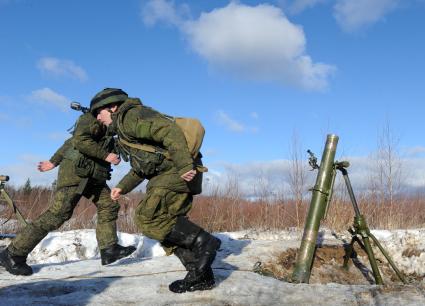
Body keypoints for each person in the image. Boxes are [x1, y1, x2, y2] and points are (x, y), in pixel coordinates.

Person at [91, 88, 221, 293]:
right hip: (174, 172)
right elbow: (145, 165)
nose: (98, 117)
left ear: (113, 107)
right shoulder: (125, 130)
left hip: (177, 172)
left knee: (147, 217)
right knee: (168, 228)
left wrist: (183, 164)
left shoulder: (130, 116)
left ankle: (205, 242)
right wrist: (122, 186)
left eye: (99, 112)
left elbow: (169, 130)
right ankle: (200, 275)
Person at [0, 110, 136, 276]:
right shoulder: (90, 121)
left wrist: (52, 162)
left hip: (93, 177)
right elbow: (75, 141)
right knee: (58, 214)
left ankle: (109, 249)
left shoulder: (109, 129)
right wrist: (55, 161)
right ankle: (13, 253)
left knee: (109, 204)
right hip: (74, 175)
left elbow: (69, 142)